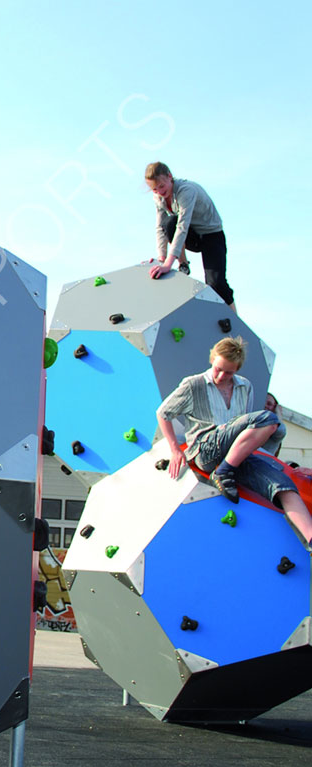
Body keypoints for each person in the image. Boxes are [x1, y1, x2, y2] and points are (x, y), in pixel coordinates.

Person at [156, 337, 312, 545]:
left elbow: (247, 429)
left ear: (237, 370)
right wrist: (175, 450)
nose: (221, 376)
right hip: (206, 448)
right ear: (212, 359)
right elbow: (163, 413)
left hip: (235, 454)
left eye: (228, 372)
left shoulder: (244, 386)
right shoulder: (193, 384)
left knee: (284, 486)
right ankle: (223, 471)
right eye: (218, 368)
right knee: (268, 419)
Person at [145, 162, 236, 312]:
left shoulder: (186, 191)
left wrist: (168, 264)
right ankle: (183, 264)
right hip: (192, 237)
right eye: (154, 189)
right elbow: (160, 227)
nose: (160, 191)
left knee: (216, 284)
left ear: (170, 177)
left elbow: (183, 226)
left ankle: (235, 324)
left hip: (211, 235)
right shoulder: (158, 197)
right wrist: (161, 259)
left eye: (162, 186)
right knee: (169, 223)